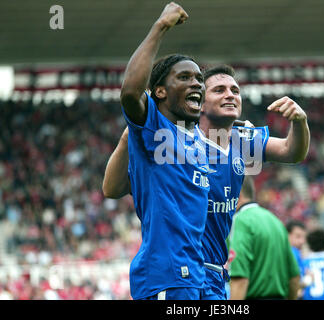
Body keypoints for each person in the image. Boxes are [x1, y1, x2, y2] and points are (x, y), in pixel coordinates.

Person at [103, 64, 311, 300]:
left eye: (235, 90)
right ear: (199, 101)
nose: (230, 94)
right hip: (177, 273)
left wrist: (299, 121)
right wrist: (130, 131)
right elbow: (112, 188)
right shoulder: (174, 143)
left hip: (214, 275)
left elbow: (292, 151)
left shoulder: (242, 142)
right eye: (219, 90)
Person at [117, 2, 212, 300]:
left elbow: (110, 188)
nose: (196, 82)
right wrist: (161, 26)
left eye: (199, 78)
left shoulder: (197, 138)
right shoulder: (155, 127)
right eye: (184, 77)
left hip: (195, 277)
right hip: (166, 278)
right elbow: (131, 93)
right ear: (159, 92)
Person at [228, 176, 301, 300]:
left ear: (237, 193)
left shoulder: (240, 221)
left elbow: (239, 279)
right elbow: (294, 278)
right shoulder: (276, 221)